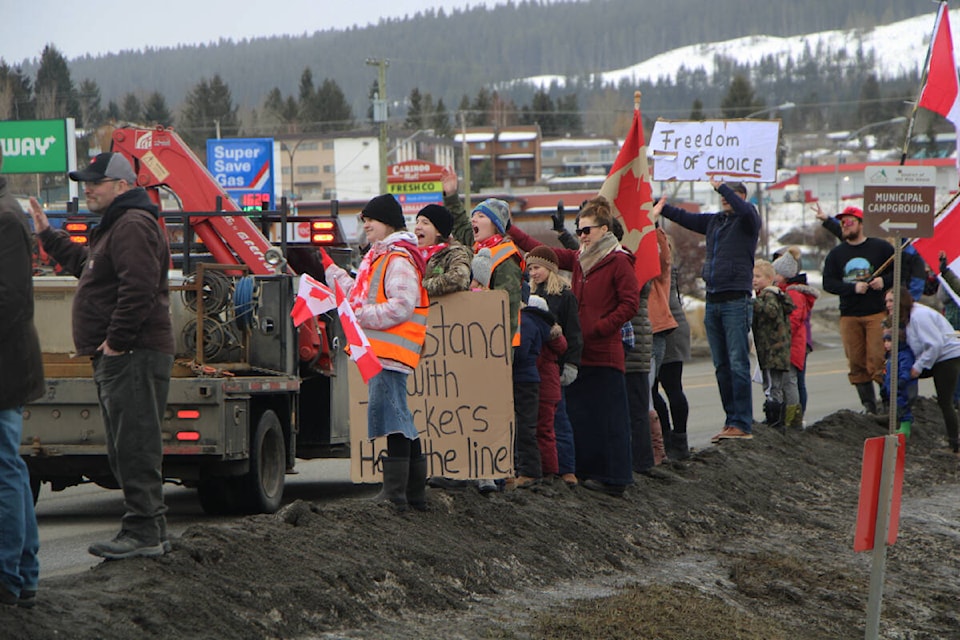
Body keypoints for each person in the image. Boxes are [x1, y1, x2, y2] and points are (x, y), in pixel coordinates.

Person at [29, 152, 175, 559]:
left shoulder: (131, 225)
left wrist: (116, 341)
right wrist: (47, 235)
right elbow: (89, 268)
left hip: (131, 354)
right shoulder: (118, 225)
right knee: (127, 444)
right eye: (85, 181)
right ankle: (154, 529)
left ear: (123, 186)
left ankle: (143, 532)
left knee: (133, 445)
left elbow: (139, 289)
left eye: (96, 181)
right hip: (125, 353)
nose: (87, 188)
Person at [510, 196, 639, 496]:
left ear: (604, 229)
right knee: (583, 417)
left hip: (606, 352)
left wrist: (599, 327)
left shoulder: (618, 260)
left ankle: (615, 479)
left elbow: (630, 303)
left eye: (587, 230)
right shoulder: (582, 259)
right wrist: (511, 231)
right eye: (579, 230)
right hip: (582, 354)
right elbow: (543, 252)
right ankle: (588, 472)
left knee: (610, 419)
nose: (581, 236)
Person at [322, 194, 430, 510]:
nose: (365, 224)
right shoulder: (383, 258)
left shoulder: (396, 259)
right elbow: (360, 293)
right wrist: (332, 272)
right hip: (385, 352)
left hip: (389, 352)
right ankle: (412, 495)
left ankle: (397, 495)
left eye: (371, 219)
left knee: (395, 418)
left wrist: (361, 315)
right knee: (399, 417)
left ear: (387, 223)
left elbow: (401, 305)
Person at [651, 178, 761, 442]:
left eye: (733, 194)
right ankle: (730, 420)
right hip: (713, 300)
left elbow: (744, 209)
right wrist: (658, 205)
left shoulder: (748, 220)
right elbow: (684, 217)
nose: (726, 198)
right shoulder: (715, 222)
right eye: (724, 195)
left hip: (736, 300)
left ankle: (742, 422)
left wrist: (721, 186)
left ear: (743, 196)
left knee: (737, 363)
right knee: (722, 365)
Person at [0, 149, 44, 607]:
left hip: (5, 365)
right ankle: (24, 572)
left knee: (4, 469)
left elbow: (9, 300)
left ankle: (8, 576)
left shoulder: (7, 220)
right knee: (9, 466)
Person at [821, 206, 894, 414]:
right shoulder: (836, 254)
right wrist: (852, 288)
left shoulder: (880, 248)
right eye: (842, 222)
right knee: (856, 363)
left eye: (850, 221)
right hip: (849, 315)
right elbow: (828, 283)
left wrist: (883, 281)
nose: (845, 225)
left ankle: (887, 403)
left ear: (861, 224)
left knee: (877, 360)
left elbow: (901, 272)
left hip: (876, 313)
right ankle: (869, 407)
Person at [525, 246, 582, 484]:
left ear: (549, 268)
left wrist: (571, 364)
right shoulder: (528, 295)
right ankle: (547, 466)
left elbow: (575, 333)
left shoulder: (565, 296)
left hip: (555, 368)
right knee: (540, 421)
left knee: (559, 420)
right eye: (530, 269)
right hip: (534, 368)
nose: (533, 273)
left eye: (537, 268)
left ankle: (567, 468)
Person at [889, 287, 960, 456]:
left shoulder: (919, 316)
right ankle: (900, 413)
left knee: (945, 401)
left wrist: (918, 367)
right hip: (936, 357)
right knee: (903, 375)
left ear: (902, 301)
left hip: (947, 357)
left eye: (891, 301)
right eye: (886, 301)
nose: (888, 305)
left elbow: (935, 344)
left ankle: (955, 445)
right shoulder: (908, 317)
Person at [512, 293, 566, 487]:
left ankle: (530, 471)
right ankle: (534, 470)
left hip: (522, 379)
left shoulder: (526, 321)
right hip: (530, 379)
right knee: (532, 426)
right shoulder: (540, 324)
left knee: (525, 427)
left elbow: (521, 351)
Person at [772, 247, 819, 429]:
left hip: (793, 344)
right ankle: (787, 416)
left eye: (776, 273)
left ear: (784, 275)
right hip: (789, 343)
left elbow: (794, 319)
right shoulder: (783, 292)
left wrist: (780, 336)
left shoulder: (793, 294)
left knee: (791, 381)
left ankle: (793, 418)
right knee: (787, 381)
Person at [653, 260, 692, 460]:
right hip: (658, 327)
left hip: (670, 329)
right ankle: (666, 438)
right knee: (651, 390)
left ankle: (679, 442)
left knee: (671, 387)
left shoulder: (661, 267)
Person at [752, 260, 794, 432]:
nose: (753, 280)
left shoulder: (769, 295)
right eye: (752, 276)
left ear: (769, 278)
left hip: (772, 352)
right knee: (774, 385)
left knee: (771, 386)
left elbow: (770, 311)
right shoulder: (776, 294)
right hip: (777, 352)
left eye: (758, 276)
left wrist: (752, 302)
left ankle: (775, 421)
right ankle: (776, 418)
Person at [414, 201, 472, 298]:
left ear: (439, 231)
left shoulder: (454, 253)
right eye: (417, 222)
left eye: (425, 223)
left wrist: (419, 288)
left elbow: (459, 278)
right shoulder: (411, 255)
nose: (418, 227)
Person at [881, 327, 918, 439]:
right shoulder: (890, 356)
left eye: (889, 341)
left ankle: (905, 429)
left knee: (903, 407)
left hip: (902, 388)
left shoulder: (904, 355)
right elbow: (887, 373)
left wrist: (902, 381)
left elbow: (905, 369)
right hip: (892, 388)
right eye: (885, 341)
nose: (886, 344)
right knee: (897, 408)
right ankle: (900, 426)